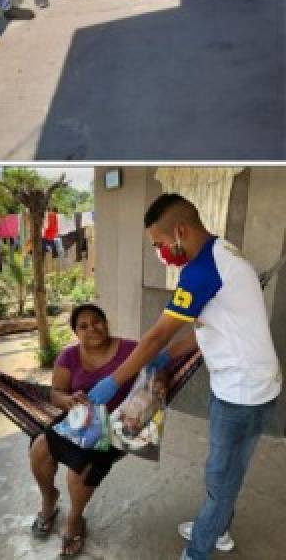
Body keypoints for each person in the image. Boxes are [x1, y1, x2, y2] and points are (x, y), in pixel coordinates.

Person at [86, 194, 281, 560]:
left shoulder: (202, 271)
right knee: (226, 471)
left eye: (159, 244)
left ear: (180, 231)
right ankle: (217, 526)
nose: (160, 252)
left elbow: (158, 332)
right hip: (248, 383)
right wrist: (165, 357)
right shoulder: (223, 252)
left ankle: (199, 549)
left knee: (221, 477)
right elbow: (207, 327)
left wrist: (115, 380)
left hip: (242, 392)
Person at [28, 303, 180, 557]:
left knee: (80, 471)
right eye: (83, 326)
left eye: (97, 321)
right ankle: (49, 500)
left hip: (116, 427)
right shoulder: (68, 357)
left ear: (106, 323)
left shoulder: (131, 349)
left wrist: (162, 380)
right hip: (78, 422)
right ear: (76, 332)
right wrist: (66, 401)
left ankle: (75, 520)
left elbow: (159, 365)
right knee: (39, 449)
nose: (92, 329)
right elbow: (55, 393)